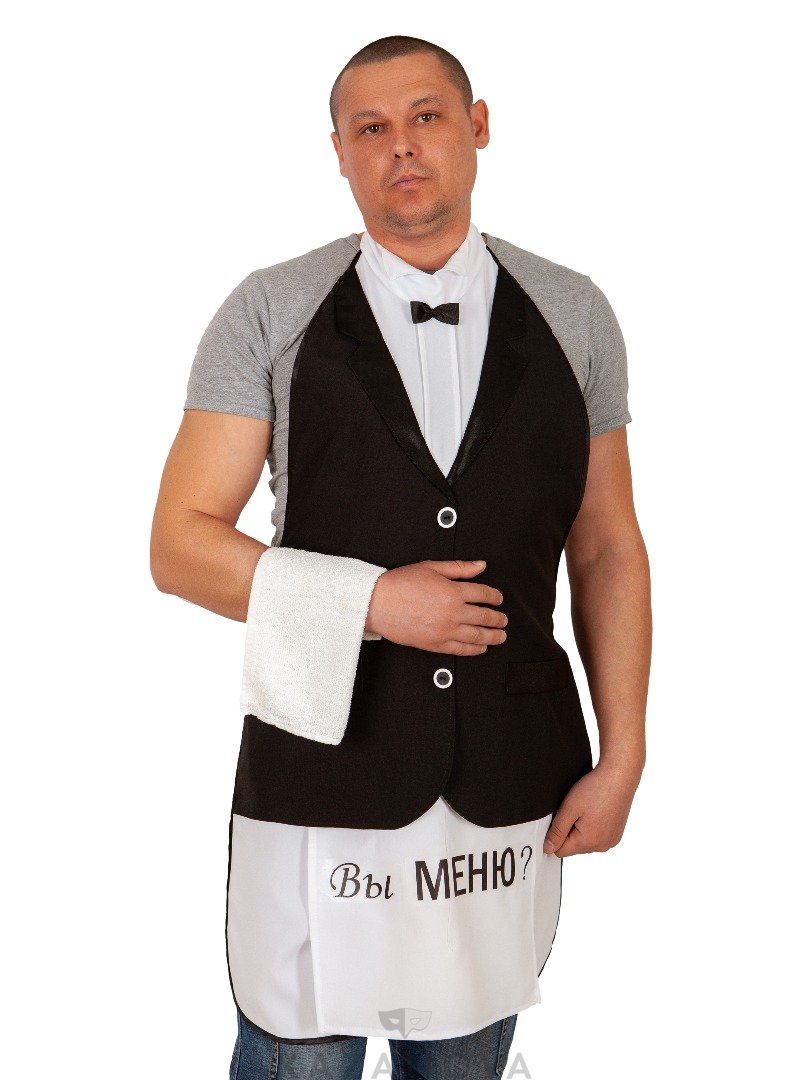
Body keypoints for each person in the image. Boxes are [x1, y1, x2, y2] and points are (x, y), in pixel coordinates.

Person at [150, 34, 651, 1080]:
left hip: (509, 769)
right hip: (320, 765)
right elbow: (180, 545)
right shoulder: (270, 309)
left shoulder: (575, 312)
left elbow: (607, 545)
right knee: (298, 1055)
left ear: (477, 126)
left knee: (464, 1061)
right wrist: (375, 602)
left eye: (426, 116)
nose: (401, 146)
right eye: (370, 128)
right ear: (339, 152)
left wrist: (624, 754)